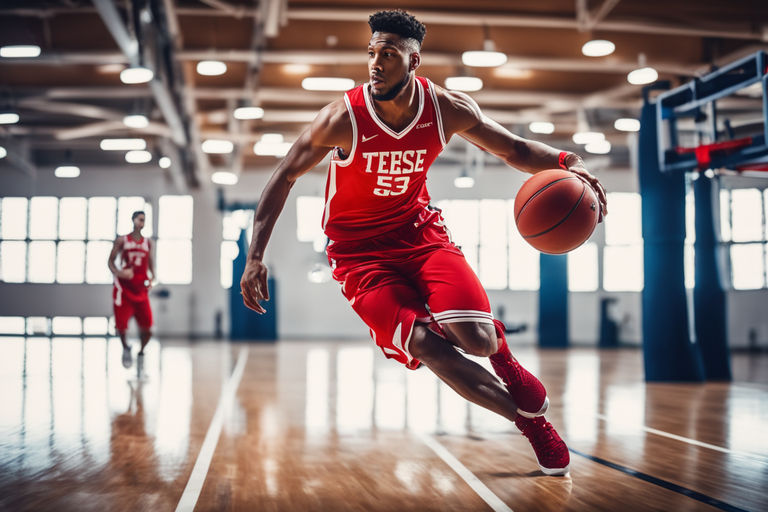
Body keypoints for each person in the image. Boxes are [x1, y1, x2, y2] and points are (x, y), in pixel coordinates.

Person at [240, 9, 608, 476]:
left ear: (414, 61)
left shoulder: (446, 108)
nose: (375, 63)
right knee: (426, 346)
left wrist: (567, 161)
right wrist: (255, 257)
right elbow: (283, 175)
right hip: (358, 254)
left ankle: (502, 355)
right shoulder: (343, 117)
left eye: (388, 54)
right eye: (372, 52)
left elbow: (514, 149)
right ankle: (531, 424)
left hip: (420, 234)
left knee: (473, 339)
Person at [108, 210, 155, 375]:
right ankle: (126, 347)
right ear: (133, 220)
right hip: (125, 288)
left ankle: (141, 353)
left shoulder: (147, 243)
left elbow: (151, 265)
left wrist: (152, 278)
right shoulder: (122, 240)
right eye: (139, 219)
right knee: (121, 326)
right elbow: (110, 262)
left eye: (144, 220)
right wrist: (120, 273)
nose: (142, 222)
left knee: (148, 329)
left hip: (140, 289)